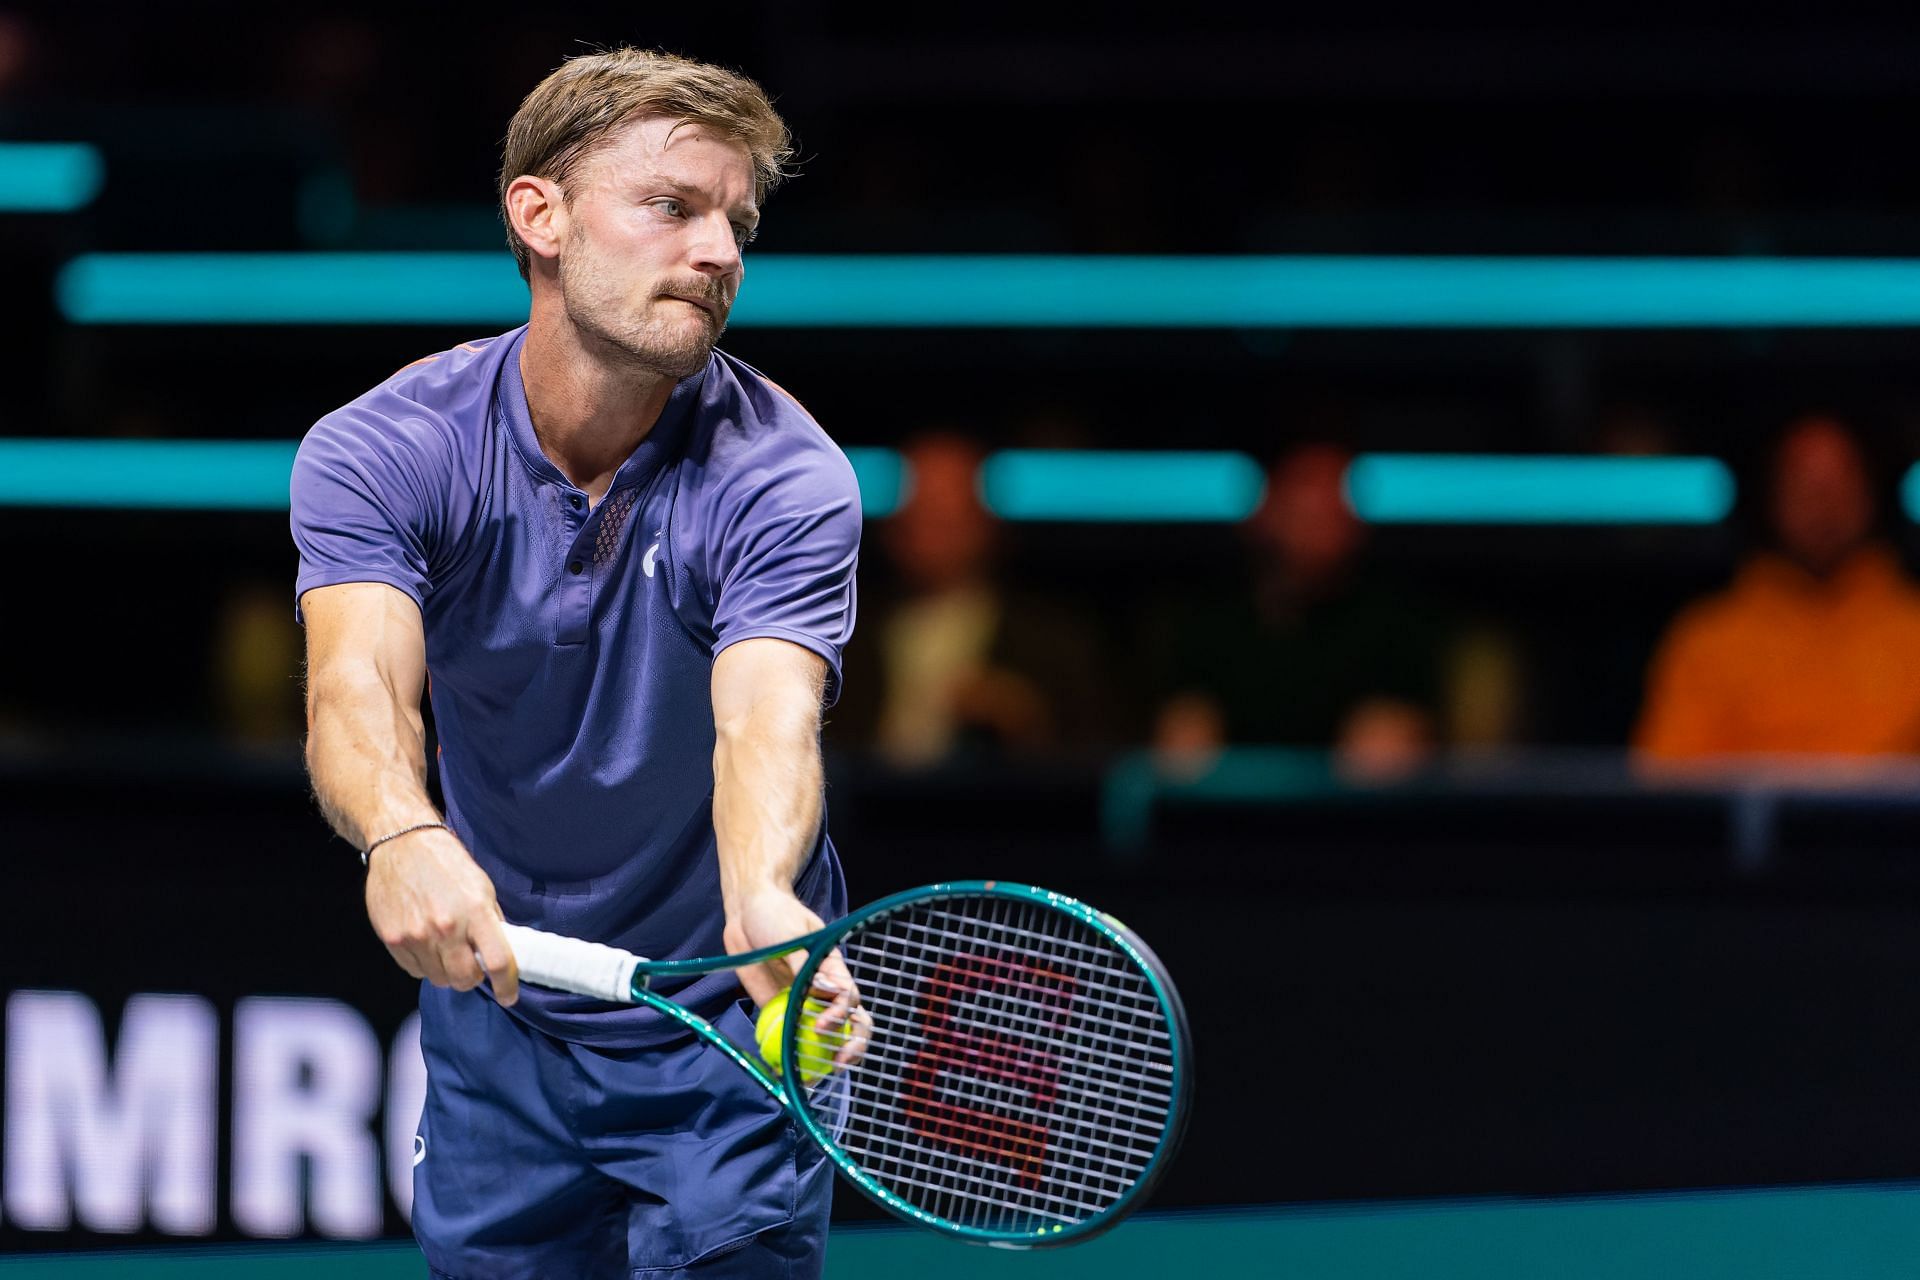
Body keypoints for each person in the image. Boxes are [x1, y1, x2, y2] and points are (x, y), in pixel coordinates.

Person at [291, 49, 865, 1279]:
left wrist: (763, 895)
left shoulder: (785, 474)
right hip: (505, 1016)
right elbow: (356, 686)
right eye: (673, 206)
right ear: (538, 215)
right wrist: (400, 833)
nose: (719, 251)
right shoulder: (385, 447)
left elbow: (765, 719)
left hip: (729, 1015)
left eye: (737, 221)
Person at [1636, 414, 1920, 760]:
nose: (1823, 508)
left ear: (1869, 494)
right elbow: (1667, 789)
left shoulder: (1913, 630)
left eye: (1837, 487)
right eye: (1804, 488)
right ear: (1772, 496)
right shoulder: (1708, 640)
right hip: (1750, 816)